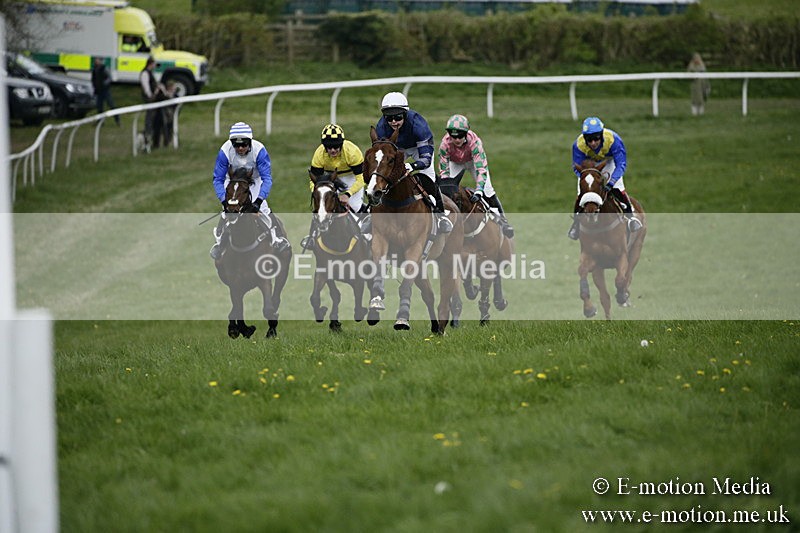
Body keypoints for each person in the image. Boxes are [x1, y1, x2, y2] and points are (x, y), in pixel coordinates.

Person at [210, 122, 290, 259]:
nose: (240, 148)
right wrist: (224, 201)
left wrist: (258, 201)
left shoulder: (259, 151)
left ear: (250, 142)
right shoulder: (224, 151)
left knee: (264, 209)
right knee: (226, 212)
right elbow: (218, 179)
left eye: (244, 145)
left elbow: (267, 179)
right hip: (233, 181)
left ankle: (276, 238)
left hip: (255, 181)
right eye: (236, 145)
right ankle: (220, 243)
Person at [374, 92, 452, 233]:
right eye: (389, 118)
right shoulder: (381, 128)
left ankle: (440, 215)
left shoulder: (418, 125)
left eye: (398, 117)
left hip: (418, 148)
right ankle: (373, 211)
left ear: (405, 114)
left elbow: (426, 159)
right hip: (397, 149)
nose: (393, 122)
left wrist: (412, 166)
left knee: (428, 179)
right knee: (382, 176)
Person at [438, 114, 514, 238]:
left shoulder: (475, 143)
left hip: (473, 162)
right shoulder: (444, 145)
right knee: (446, 191)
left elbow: (481, 169)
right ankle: (443, 219)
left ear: (466, 134)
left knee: (488, 190)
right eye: (453, 136)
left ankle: (503, 221)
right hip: (455, 163)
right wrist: (447, 184)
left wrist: (479, 190)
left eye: (460, 136)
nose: (456, 139)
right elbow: (444, 170)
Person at [568, 116, 642, 240]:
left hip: (609, 163)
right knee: (582, 193)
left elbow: (621, 164)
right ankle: (576, 223)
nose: (593, 143)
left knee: (618, 188)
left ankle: (630, 218)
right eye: (589, 140)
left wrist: (612, 182)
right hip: (590, 167)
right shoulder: (578, 145)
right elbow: (576, 167)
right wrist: (587, 176)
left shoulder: (614, 140)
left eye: (596, 139)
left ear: (601, 135)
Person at [302, 124, 370, 249]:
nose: (333, 150)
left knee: (354, 206)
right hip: (330, 179)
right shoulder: (319, 155)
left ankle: (365, 233)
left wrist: (348, 194)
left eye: (336, 147)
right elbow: (314, 181)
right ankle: (312, 237)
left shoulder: (352, 152)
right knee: (322, 208)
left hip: (352, 178)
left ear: (342, 144)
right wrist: (317, 193)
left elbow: (361, 179)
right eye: (328, 147)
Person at [139, 56, 165, 149]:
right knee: (149, 119)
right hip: (150, 100)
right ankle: (147, 137)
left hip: (154, 99)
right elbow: (146, 87)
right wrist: (151, 95)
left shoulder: (150, 73)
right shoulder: (145, 73)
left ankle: (152, 139)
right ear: (151, 64)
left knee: (154, 119)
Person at [90, 57, 120, 125]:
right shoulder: (94, 69)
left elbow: (109, 78)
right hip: (98, 90)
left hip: (105, 90)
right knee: (99, 106)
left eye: (97, 60)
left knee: (111, 104)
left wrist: (104, 84)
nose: (96, 61)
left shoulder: (104, 68)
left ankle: (117, 119)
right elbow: (93, 79)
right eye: (95, 60)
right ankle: (100, 121)